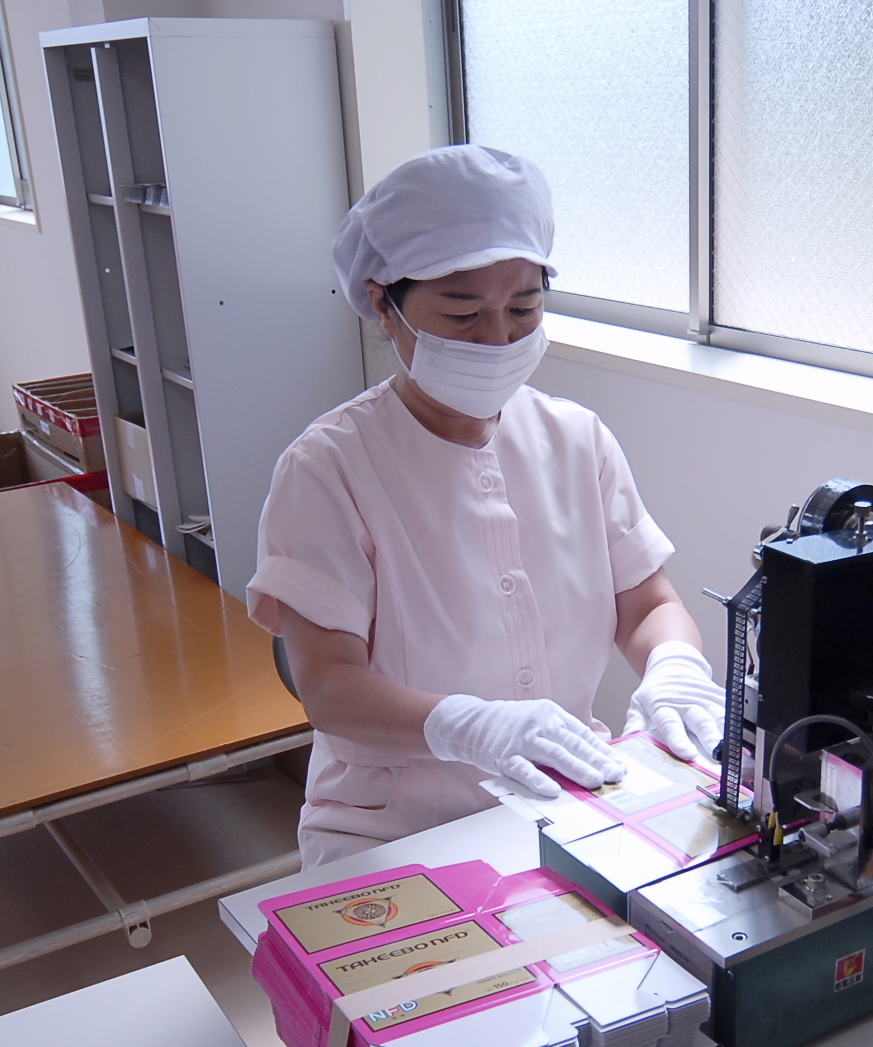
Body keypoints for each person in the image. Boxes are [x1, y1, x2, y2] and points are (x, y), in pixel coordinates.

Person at [248, 145, 725, 871]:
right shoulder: (329, 468)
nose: (498, 338)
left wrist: (675, 666)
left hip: (567, 805)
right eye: (463, 312)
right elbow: (329, 685)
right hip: (393, 834)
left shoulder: (578, 440)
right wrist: (465, 726)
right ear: (383, 305)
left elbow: (647, 603)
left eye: (524, 309)